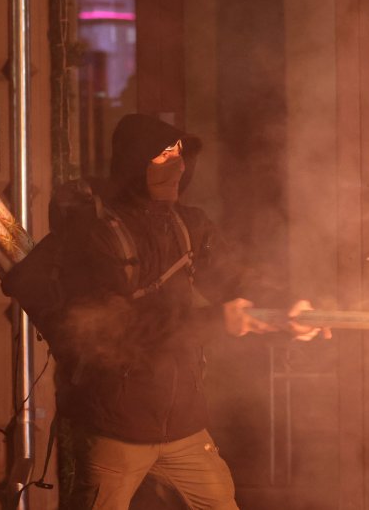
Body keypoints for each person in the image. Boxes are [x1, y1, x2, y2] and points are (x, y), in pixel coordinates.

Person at [54, 114, 324, 510]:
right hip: (118, 427)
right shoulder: (97, 235)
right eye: (164, 154)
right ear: (135, 162)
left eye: (180, 154)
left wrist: (287, 309)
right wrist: (215, 321)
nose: (177, 165)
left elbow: (234, 277)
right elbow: (116, 329)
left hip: (183, 428)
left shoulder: (189, 225)